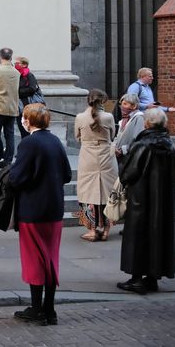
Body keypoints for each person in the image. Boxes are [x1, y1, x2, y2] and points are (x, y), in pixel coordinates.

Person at [8, 103, 72, 326]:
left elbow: (15, 178)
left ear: (29, 120)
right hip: (54, 209)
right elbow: (66, 175)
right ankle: (49, 309)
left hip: (33, 210)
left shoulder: (29, 143)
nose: (22, 121)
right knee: (51, 259)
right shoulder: (55, 141)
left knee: (34, 260)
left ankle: (37, 309)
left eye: (24, 117)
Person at [117, 108, 175, 295]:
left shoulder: (142, 145)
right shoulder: (171, 145)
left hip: (140, 201)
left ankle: (136, 279)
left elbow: (127, 173)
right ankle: (153, 277)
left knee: (138, 237)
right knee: (158, 236)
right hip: (163, 202)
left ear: (147, 124)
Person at [74, 89, 118, 241]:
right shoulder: (109, 117)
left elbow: (77, 137)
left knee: (87, 192)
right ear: (103, 101)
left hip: (87, 156)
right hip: (106, 155)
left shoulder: (80, 117)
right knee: (108, 191)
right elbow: (112, 135)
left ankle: (92, 230)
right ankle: (105, 230)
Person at [113, 93, 145, 158]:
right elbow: (118, 136)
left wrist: (123, 150)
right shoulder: (123, 120)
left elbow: (138, 139)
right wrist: (114, 148)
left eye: (125, 104)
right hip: (120, 156)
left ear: (134, 106)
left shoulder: (139, 118)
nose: (122, 106)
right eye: (121, 104)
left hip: (130, 157)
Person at [15, 56, 41, 138]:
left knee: (29, 131)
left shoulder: (29, 75)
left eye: (17, 63)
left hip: (28, 107)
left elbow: (32, 89)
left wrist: (18, 92)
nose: (15, 65)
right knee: (22, 130)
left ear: (24, 64)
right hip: (19, 107)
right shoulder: (17, 75)